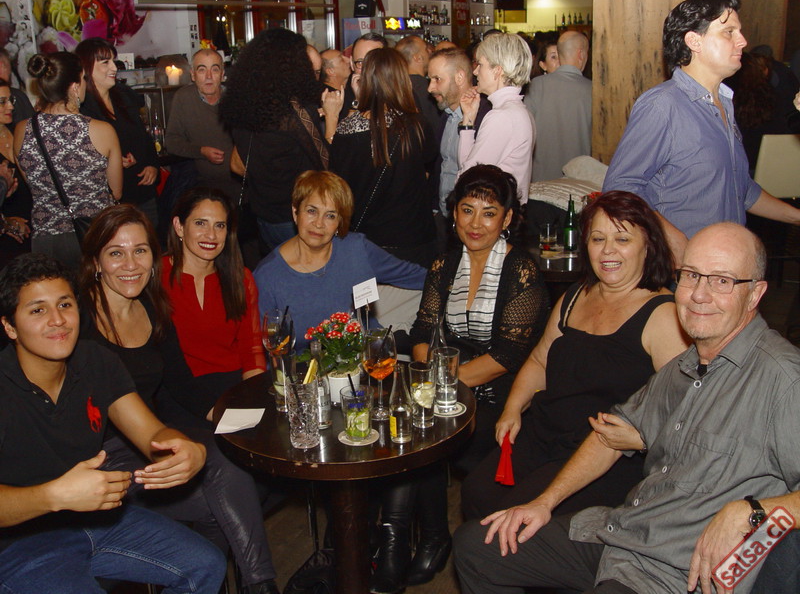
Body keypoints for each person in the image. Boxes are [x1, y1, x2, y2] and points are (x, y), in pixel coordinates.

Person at [453, 222, 800, 594]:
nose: (700, 294)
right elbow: (607, 437)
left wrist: (752, 512)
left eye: (722, 281)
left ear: (755, 293)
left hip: (676, 573)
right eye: (691, 276)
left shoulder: (783, 379)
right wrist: (544, 502)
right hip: (624, 535)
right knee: (477, 547)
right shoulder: (682, 367)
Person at [78, 204, 281, 594]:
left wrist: (228, 419)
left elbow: (180, 383)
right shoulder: (77, 320)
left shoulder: (152, 307)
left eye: (140, 250)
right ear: (96, 262)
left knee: (226, 455)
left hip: (146, 443)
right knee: (222, 505)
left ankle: (257, 584)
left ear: (154, 257)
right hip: (98, 462)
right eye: (116, 252)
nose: (130, 264)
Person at [0, 253, 226, 593]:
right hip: (19, 544)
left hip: (100, 518)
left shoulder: (95, 361)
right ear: (9, 326)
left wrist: (183, 450)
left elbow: (152, 432)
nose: (57, 320)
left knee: (206, 564)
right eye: (37, 310)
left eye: (65, 305)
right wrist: (53, 496)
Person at [461, 191, 689, 520]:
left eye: (622, 239)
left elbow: (686, 406)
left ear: (648, 246)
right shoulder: (575, 295)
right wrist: (513, 408)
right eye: (598, 238)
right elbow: (539, 360)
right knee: (476, 492)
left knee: (508, 520)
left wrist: (641, 437)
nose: (608, 250)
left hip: (599, 454)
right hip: (544, 432)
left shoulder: (662, 315)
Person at [602, 0, 800, 265]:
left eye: (739, 32)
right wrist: (673, 241)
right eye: (729, 32)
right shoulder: (664, 104)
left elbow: (741, 190)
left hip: (724, 262)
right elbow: (621, 188)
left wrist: (796, 217)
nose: (742, 41)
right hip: (684, 269)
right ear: (694, 41)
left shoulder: (724, 103)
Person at [411, 164, 550, 470]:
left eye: (489, 213)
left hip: (503, 395)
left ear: (506, 218)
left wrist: (445, 383)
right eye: (467, 210)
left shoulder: (521, 271)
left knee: (429, 434)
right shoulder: (444, 265)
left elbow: (508, 354)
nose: (475, 224)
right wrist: (433, 381)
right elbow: (422, 332)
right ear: (454, 213)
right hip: (447, 383)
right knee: (408, 428)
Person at [254, 170, 427, 351]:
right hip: (307, 367)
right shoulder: (268, 276)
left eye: (330, 215)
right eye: (312, 211)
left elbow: (418, 277)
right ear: (295, 212)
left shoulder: (357, 249)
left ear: (339, 223)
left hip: (370, 359)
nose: (319, 223)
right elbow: (266, 349)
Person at [219, 28, 342, 251]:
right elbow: (327, 163)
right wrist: (332, 116)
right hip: (295, 217)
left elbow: (239, 164)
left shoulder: (243, 106)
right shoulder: (294, 113)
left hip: (263, 214)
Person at [13, 52, 122, 269]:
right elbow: (116, 192)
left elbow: (32, 183)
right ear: (74, 87)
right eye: (83, 79)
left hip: (46, 237)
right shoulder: (101, 130)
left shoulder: (22, 129)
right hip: (93, 234)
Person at [330, 47, 437, 267]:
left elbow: (337, 182)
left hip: (366, 240)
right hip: (412, 236)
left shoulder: (346, 129)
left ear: (366, 80)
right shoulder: (416, 125)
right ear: (402, 79)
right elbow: (429, 161)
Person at [162, 187, 266, 412]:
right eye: (200, 223)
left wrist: (253, 399)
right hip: (178, 391)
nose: (211, 235)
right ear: (179, 226)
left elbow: (251, 348)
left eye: (220, 226)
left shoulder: (240, 278)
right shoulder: (155, 277)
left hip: (234, 386)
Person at [75, 38, 160, 227]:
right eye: (105, 62)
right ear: (87, 67)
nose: (114, 68)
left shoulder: (124, 95)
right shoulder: (81, 108)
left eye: (113, 61)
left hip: (142, 190)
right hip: (108, 200)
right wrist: (111, 162)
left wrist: (152, 165)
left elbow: (144, 137)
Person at [458, 33, 535, 205]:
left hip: (494, 212)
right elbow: (468, 166)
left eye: (480, 64)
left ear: (497, 70)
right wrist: (468, 119)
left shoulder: (502, 116)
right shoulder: (517, 110)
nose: (475, 71)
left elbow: (467, 180)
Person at [165, 48, 239, 199]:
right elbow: (171, 142)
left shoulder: (236, 99)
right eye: (202, 70)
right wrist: (201, 151)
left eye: (215, 69)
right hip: (202, 189)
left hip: (240, 187)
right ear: (193, 75)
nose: (209, 76)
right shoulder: (183, 98)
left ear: (222, 74)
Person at [427, 48, 491, 217]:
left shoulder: (486, 117)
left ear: (460, 77)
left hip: (472, 217)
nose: (430, 88)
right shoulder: (446, 115)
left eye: (437, 79)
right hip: (445, 214)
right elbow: (441, 165)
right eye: (430, 79)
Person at [524, 31, 592, 182]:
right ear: (581, 54)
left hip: (540, 181)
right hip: (580, 182)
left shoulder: (535, 86)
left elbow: (524, 134)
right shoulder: (592, 90)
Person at [0, 80, 31, 262]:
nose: (10, 106)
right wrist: (6, 222)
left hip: (35, 223)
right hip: (7, 237)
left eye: (10, 100)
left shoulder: (20, 132)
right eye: (2, 102)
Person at [395, 35, 441, 132]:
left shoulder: (396, 87)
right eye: (426, 49)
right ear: (418, 58)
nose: (430, 52)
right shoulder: (429, 89)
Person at [0, 48, 34, 125]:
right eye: (2, 101)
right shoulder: (18, 97)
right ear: (2, 67)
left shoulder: (17, 97)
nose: (10, 106)